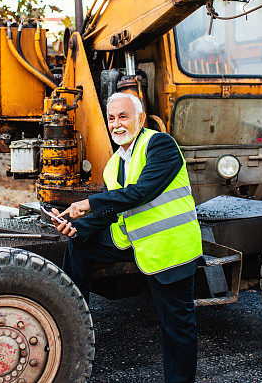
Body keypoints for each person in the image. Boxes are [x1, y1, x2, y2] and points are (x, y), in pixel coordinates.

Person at [52, 91, 203, 383]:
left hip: (170, 249)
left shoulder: (161, 145)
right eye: (111, 118)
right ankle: (73, 311)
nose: (117, 124)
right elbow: (112, 209)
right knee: (80, 243)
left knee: (177, 329)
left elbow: (141, 192)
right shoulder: (114, 164)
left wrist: (89, 203)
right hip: (136, 244)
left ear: (141, 119)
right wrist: (76, 225)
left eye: (124, 116)